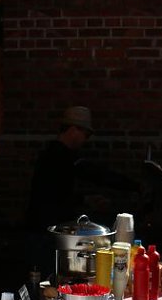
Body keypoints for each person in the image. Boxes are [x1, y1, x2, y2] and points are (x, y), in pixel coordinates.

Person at [26, 106, 139, 278]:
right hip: (45, 232)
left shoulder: (54, 155)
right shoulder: (59, 156)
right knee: (48, 277)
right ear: (73, 129)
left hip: (45, 230)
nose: (85, 140)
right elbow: (55, 194)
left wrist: (85, 199)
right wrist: (133, 186)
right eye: (85, 134)